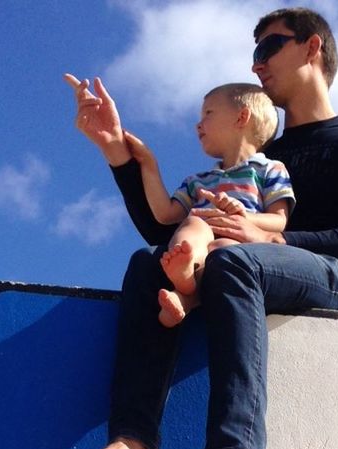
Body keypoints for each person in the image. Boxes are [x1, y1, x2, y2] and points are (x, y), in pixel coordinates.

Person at [57, 7, 338, 449]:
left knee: (236, 261)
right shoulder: (258, 157)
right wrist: (118, 154)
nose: (257, 64)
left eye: (269, 48)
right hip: (238, 267)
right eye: (254, 54)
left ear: (312, 48)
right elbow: (165, 231)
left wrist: (271, 234)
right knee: (149, 264)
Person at [119, 83, 294, 327]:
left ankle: (185, 298)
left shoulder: (270, 169)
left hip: (240, 241)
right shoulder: (198, 181)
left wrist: (244, 216)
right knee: (193, 222)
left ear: (242, 117)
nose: (198, 124)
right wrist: (149, 164)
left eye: (208, 114)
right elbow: (165, 214)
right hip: (203, 234)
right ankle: (185, 271)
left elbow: (279, 221)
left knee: (223, 250)